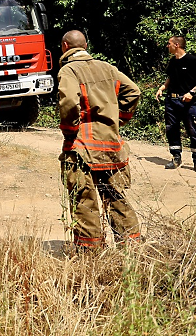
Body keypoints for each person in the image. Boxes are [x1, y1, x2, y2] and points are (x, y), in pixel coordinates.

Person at [58, 30, 141, 249]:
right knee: (115, 196)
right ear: (85, 45)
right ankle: (131, 249)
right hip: (110, 145)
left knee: (84, 200)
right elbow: (133, 91)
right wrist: (117, 119)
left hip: (82, 148)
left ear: (65, 46)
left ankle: (91, 253)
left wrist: (69, 131)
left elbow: (68, 103)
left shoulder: (69, 70)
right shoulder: (108, 68)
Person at [154, 36, 196, 173]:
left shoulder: (192, 60)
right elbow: (170, 78)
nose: (167, 46)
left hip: (187, 102)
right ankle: (176, 158)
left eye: (169, 44)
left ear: (176, 45)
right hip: (171, 102)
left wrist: (192, 92)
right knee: (171, 130)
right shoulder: (172, 62)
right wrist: (162, 88)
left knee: (193, 131)